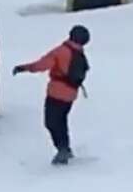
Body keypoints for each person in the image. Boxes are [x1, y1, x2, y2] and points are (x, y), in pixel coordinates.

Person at [12, 25, 91, 165]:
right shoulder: (79, 53)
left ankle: (62, 150)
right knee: (61, 121)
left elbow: (41, 65)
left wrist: (24, 68)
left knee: (51, 122)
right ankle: (65, 147)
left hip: (56, 92)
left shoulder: (61, 51)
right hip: (71, 94)